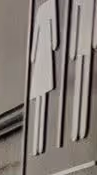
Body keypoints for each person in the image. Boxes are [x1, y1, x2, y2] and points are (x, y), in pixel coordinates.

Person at [68, 0, 97, 143]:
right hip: (82, 45)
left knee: (84, 84)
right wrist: (72, 50)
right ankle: (77, 127)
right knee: (79, 86)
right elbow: (75, 20)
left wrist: (95, 41)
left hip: (87, 46)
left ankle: (81, 127)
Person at [33, 0, 60, 154]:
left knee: (40, 97)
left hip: (40, 58)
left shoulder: (42, 7)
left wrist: (33, 56)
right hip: (46, 56)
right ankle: (40, 143)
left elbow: (35, 39)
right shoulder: (50, 6)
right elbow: (55, 39)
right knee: (43, 96)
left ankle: (38, 143)